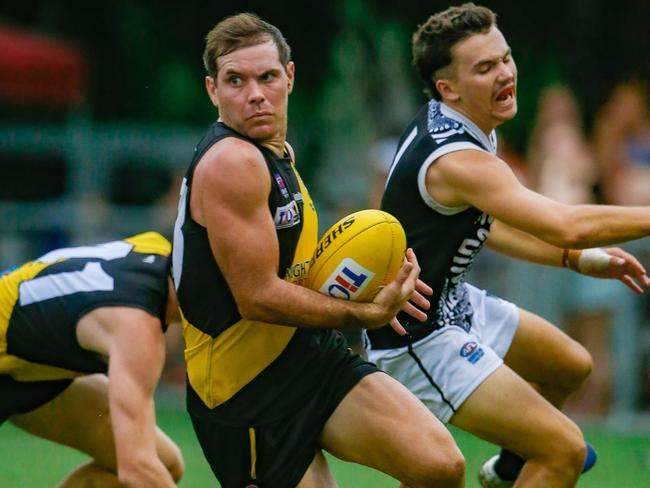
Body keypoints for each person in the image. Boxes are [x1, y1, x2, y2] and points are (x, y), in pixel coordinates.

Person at [172, 12, 465, 488]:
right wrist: (364, 313)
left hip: (307, 356)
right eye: (235, 81)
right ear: (212, 90)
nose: (254, 94)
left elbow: (293, 270)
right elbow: (258, 296)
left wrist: (371, 280)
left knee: (439, 464)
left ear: (289, 76)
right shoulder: (233, 161)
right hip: (245, 393)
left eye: (267, 76)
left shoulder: (274, 151)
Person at [365, 4, 650, 488]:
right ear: (447, 88)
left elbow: (489, 225)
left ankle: (508, 471)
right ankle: (533, 464)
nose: (504, 74)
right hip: (417, 338)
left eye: (505, 58)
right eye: (484, 68)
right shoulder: (457, 157)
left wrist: (575, 260)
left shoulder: (461, 121)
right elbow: (566, 223)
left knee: (570, 365)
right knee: (564, 450)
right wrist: (574, 245)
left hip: (451, 305)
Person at [0, 231, 184, 487]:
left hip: (30, 364)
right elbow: (137, 468)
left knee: (163, 464)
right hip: (16, 355)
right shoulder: (137, 324)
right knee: (143, 468)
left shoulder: (156, 248)